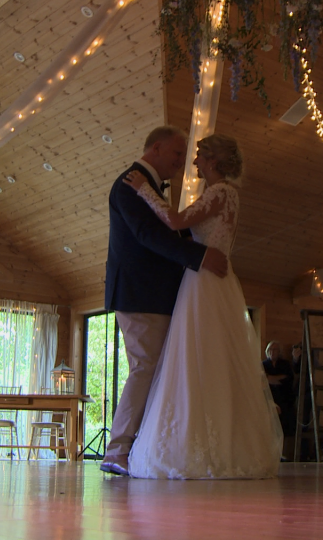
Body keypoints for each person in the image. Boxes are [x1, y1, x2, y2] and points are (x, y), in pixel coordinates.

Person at [123, 133, 282, 479]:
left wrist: (144, 190)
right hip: (215, 279)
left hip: (204, 282)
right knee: (212, 358)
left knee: (198, 356)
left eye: (198, 157)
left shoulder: (220, 192)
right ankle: (220, 440)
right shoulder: (226, 195)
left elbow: (176, 222)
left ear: (212, 161)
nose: (194, 163)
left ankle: (198, 444)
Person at [101, 125, 228, 476]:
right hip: (141, 292)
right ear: (155, 148)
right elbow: (148, 235)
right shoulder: (131, 183)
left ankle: (137, 446)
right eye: (176, 154)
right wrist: (199, 256)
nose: (180, 163)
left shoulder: (149, 186)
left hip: (154, 294)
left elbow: (168, 229)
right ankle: (117, 449)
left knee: (154, 371)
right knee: (144, 368)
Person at [263, 341, 296, 437]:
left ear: (279, 351)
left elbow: (288, 379)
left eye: (275, 349)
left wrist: (271, 378)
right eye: (270, 349)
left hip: (284, 397)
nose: (272, 352)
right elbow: (263, 381)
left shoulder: (285, 364)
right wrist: (278, 378)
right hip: (269, 398)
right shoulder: (263, 364)